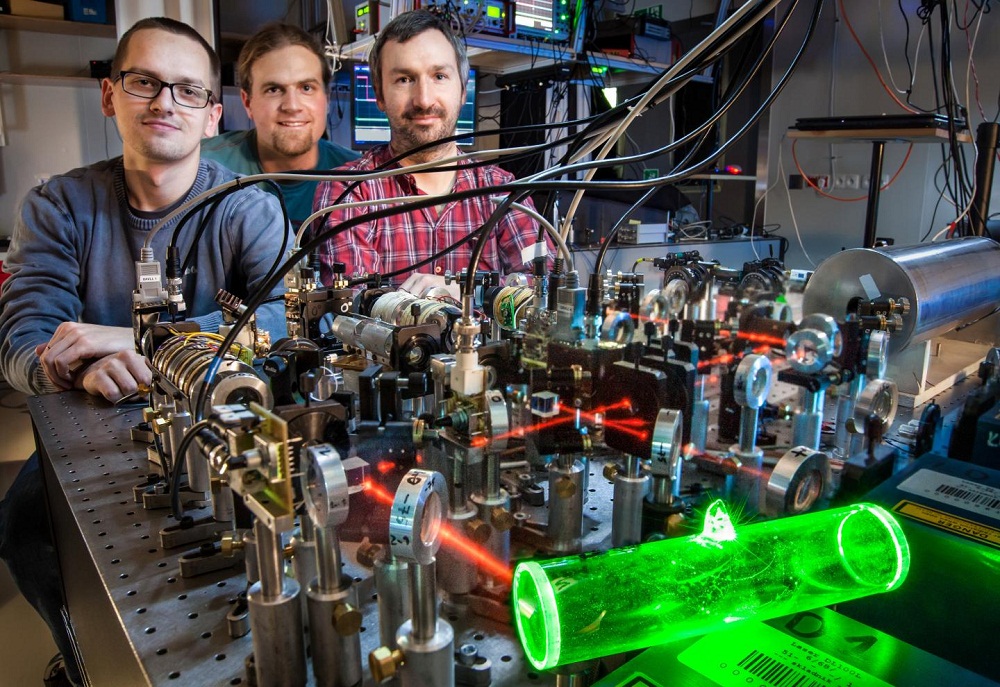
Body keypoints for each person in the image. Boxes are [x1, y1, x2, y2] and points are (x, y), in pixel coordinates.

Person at [0, 17, 290, 686]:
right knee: (23, 528)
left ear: (213, 113)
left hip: (217, 410)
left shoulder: (245, 205)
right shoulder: (56, 207)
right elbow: (19, 342)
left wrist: (138, 342)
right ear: (110, 96)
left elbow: (277, 321)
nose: (165, 102)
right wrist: (69, 361)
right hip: (88, 421)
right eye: (144, 83)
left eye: (188, 90)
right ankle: (80, 658)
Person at [313, 10, 551, 296]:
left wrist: (463, 291)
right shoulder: (347, 192)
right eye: (404, 79)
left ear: (463, 91)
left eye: (439, 76)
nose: (424, 100)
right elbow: (353, 304)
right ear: (379, 95)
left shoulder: (502, 190)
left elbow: (544, 284)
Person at [201, 22, 358, 229]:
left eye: (307, 88)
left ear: (327, 99)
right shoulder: (203, 169)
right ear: (248, 102)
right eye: (274, 89)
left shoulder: (360, 176)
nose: (292, 106)